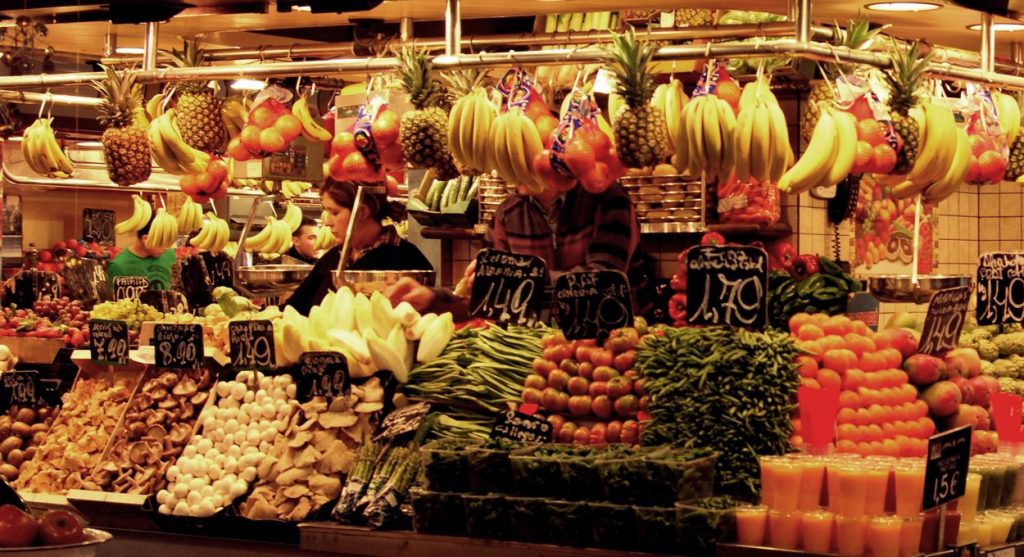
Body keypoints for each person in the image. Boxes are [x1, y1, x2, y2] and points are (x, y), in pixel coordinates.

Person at [386, 182, 655, 319]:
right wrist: (434, 299)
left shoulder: (608, 200)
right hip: (536, 355)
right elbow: (488, 303)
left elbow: (603, 281)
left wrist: (512, 281)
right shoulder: (507, 213)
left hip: (614, 350)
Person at [285, 179, 432, 316]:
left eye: (335, 213)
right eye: (326, 212)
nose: (327, 222)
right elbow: (294, 309)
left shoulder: (407, 259)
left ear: (361, 212)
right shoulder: (332, 258)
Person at [106, 212, 176, 290]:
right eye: (161, 242)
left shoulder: (169, 254)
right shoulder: (118, 267)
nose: (166, 248)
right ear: (145, 239)